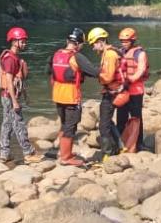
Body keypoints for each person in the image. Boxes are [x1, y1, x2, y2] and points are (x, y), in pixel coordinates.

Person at [51, 28, 98, 166]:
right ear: (77, 44)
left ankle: (62, 152)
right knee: (71, 127)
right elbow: (93, 72)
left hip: (57, 95)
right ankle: (66, 158)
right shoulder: (77, 56)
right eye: (82, 44)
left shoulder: (56, 54)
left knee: (64, 124)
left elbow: (50, 72)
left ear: (68, 41)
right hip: (71, 96)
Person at [0, 27, 40, 165]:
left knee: (7, 124)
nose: (25, 43)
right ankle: (28, 153)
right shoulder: (10, 59)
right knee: (19, 123)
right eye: (22, 41)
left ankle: (5, 154)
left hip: (7, 96)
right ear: (15, 41)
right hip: (10, 96)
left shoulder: (13, 57)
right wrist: (15, 101)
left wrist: (24, 96)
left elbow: (17, 79)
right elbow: (9, 81)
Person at [88, 27, 124, 158]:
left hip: (112, 93)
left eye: (94, 44)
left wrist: (95, 74)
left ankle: (107, 155)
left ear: (101, 41)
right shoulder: (109, 52)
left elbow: (108, 77)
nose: (93, 48)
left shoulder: (109, 55)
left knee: (103, 126)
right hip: (113, 91)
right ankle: (120, 146)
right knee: (108, 121)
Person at [117, 28, 148, 152]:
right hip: (123, 91)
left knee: (136, 118)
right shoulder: (120, 52)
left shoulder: (140, 54)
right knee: (121, 118)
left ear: (133, 40)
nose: (124, 43)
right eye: (122, 41)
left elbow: (140, 71)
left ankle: (139, 143)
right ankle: (120, 142)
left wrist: (129, 80)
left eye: (126, 41)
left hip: (136, 91)